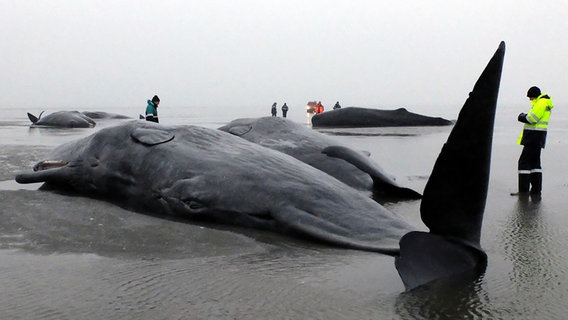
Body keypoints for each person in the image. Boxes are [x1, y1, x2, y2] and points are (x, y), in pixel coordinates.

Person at [511, 86, 553, 196]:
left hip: (533, 137)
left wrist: (521, 116)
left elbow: (531, 119)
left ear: (535, 95)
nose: (530, 99)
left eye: (530, 97)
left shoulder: (541, 103)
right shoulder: (545, 103)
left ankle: (523, 191)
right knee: (535, 164)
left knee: (524, 163)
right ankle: (536, 190)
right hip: (538, 137)